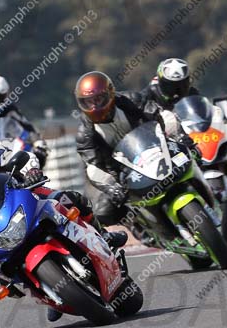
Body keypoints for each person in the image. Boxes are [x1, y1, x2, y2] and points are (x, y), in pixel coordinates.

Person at [0, 109, 126, 322]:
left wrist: (31, 171)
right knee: (6, 277)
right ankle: (50, 291)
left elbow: (17, 157)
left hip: (17, 196)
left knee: (73, 199)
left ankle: (102, 235)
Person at [74, 70, 197, 230]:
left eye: (98, 99)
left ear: (110, 94)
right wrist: (113, 187)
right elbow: (94, 166)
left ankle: (207, 190)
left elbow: (162, 115)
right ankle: (138, 226)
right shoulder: (85, 132)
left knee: (190, 154)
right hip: (123, 173)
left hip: (156, 150)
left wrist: (180, 136)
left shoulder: (131, 101)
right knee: (103, 213)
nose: (95, 106)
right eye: (88, 102)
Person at [142, 57, 227, 136]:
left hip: (192, 138)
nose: (176, 91)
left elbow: (208, 110)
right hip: (160, 142)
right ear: (161, 82)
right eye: (170, 86)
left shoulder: (191, 92)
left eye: (181, 85)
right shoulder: (149, 94)